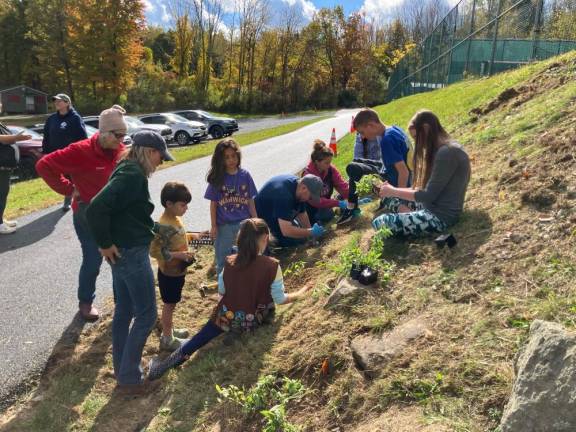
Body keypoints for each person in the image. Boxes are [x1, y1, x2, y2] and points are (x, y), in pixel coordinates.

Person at [147, 218, 312, 380]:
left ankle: (161, 368)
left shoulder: (229, 261)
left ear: (239, 239)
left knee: (198, 339)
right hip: (255, 319)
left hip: (225, 316)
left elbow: (222, 291)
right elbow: (280, 299)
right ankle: (237, 332)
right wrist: (302, 292)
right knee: (249, 316)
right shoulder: (272, 265)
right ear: (266, 238)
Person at [86, 130, 174, 395]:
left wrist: (155, 227)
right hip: (129, 253)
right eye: (160, 157)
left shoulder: (126, 169)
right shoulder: (132, 175)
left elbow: (129, 212)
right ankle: (130, 380)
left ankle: (123, 369)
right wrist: (103, 243)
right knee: (146, 314)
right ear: (148, 152)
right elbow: (96, 208)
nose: (161, 163)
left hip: (122, 250)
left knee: (125, 308)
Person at [36, 105, 128, 321]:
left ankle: (121, 302)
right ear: (104, 133)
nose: (121, 140)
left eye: (124, 135)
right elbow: (44, 165)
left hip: (113, 212)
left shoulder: (118, 149)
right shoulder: (80, 150)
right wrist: (69, 189)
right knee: (93, 258)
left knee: (119, 257)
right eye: (118, 135)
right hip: (87, 212)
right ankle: (85, 302)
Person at [372, 110, 471, 236]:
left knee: (380, 222)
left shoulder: (446, 153)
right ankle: (407, 214)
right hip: (430, 205)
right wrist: (390, 191)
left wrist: (394, 191)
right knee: (386, 196)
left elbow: (427, 195)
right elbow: (427, 189)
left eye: (415, 137)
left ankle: (408, 216)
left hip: (439, 217)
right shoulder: (444, 149)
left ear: (425, 129)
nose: (416, 143)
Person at [337, 108, 412, 225]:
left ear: (370, 125)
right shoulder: (393, 129)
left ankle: (351, 209)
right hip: (392, 173)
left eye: (362, 132)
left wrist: (402, 201)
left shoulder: (386, 140)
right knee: (356, 162)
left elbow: (404, 172)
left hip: (400, 185)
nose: (363, 137)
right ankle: (352, 207)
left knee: (353, 168)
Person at [149, 181, 197, 352]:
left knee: (172, 304)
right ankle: (167, 339)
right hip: (169, 274)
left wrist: (195, 237)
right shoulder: (163, 226)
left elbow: (179, 237)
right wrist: (179, 255)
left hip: (178, 272)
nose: (186, 208)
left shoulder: (176, 219)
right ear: (169, 204)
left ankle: (170, 329)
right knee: (169, 305)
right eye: (183, 205)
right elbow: (154, 251)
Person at [205, 139, 257, 275]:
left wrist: (256, 220)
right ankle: (223, 288)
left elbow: (250, 200)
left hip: (244, 224)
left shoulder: (245, 175)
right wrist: (213, 225)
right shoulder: (218, 177)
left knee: (245, 255)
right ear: (220, 159)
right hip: (224, 226)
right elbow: (213, 204)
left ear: (238, 156)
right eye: (226, 157)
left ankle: (242, 282)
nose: (231, 160)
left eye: (233, 156)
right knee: (223, 258)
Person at [42, 93, 88, 211]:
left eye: (59, 101)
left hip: (71, 154)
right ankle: (74, 194)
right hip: (55, 154)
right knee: (60, 177)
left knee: (71, 176)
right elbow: (46, 136)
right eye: (55, 101)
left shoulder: (75, 118)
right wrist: (45, 152)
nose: (56, 103)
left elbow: (82, 137)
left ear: (67, 103)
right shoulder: (51, 119)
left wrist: (81, 152)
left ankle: (70, 199)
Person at [254, 174, 326, 247]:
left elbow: (302, 214)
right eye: (310, 197)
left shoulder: (299, 186)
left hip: (278, 214)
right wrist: (311, 232)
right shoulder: (283, 195)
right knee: (297, 240)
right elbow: (287, 231)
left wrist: (311, 235)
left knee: (302, 233)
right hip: (262, 223)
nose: (309, 200)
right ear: (304, 188)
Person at [302, 139, 349, 224]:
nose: (329, 165)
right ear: (317, 162)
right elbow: (316, 202)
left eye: (330, 162)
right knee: (327, 215)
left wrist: (352, 197)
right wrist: (337, 203)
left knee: (329, 213)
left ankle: (335, 205)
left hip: (324, 204)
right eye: (326, 163)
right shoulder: (308, 176)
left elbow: (341, 185)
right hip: (313, 208)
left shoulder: (330, 169)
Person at [0, 123, 32, 234]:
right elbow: (2, 139)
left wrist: (15, 138)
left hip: (4, 167)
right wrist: (16, 138)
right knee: (1, 194)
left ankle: (0, 220)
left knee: (3, 193)